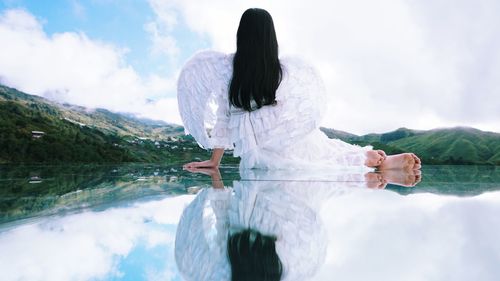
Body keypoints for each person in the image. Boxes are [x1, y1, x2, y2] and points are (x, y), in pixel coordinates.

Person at [178, 8, 421, 171]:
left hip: (263, 147)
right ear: (271, 38)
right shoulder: (281, 71)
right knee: (321, 150)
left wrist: (214, 161)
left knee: (314, 157)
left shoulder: (226, 69)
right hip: (283, 137)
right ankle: (373, 159)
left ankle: (368, 159)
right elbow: (289, 109)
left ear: (241, 35)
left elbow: (224, 119)